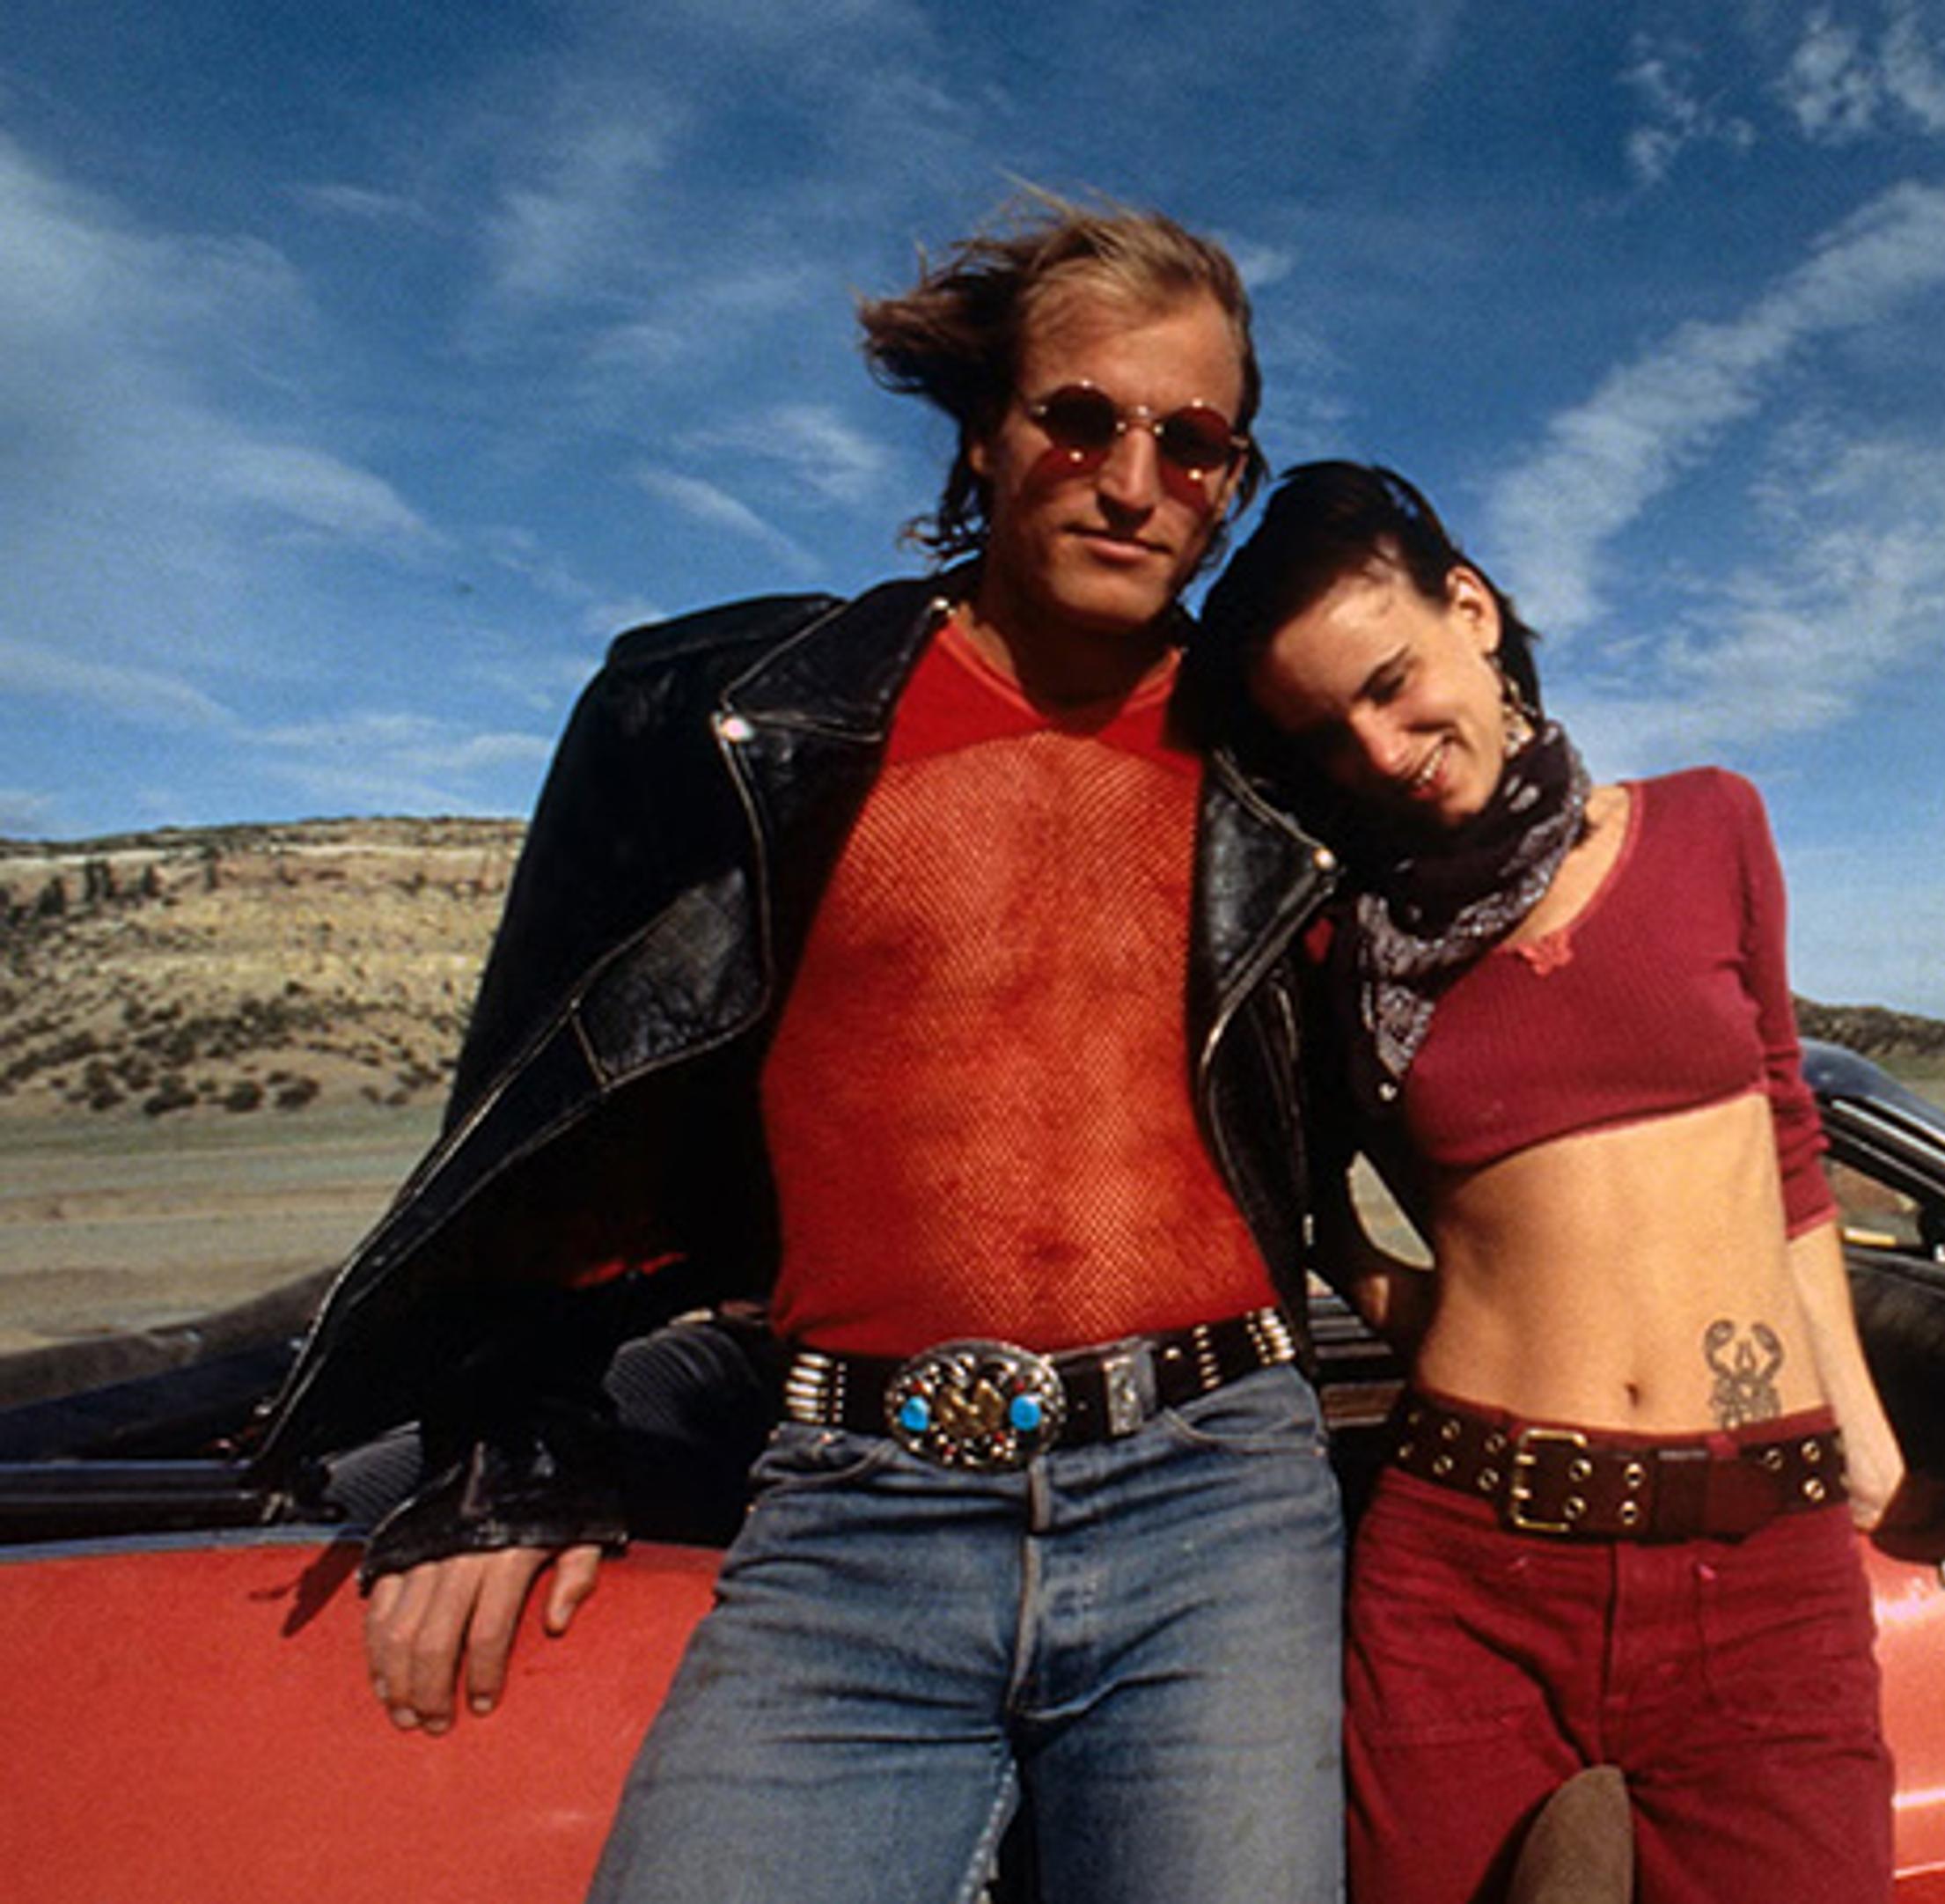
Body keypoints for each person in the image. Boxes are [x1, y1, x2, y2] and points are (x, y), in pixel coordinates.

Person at [242, 194, 1348, 1903]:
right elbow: (528, 1113)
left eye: (1196, 444)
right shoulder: (732, 720)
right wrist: (503, 1445)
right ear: (987, 439)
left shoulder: (1289, 767)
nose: (1137, 481)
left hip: (1214, 1502)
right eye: (1082, 418)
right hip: (853, 1511)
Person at [1191, 463, 1904, 1904]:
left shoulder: (1711, 826)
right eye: (1328, 733)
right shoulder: (1345, 950)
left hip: (1762, 1555)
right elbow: (1307, 1214)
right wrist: (1434, 1313)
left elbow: (1784, 1140)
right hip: (1468, 1567)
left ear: (1472, 610)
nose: (1383, 751)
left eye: (1392, 683)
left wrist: (1868, 1435)